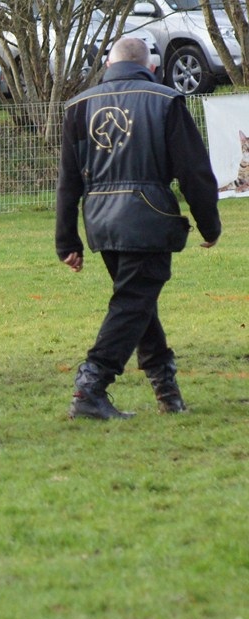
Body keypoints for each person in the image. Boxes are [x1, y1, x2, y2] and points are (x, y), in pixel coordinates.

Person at [55, 37, 222, 420]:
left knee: (139, 303)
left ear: (108, 66)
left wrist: (68, 240)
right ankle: (90, 387)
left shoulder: (78, 106)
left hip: (100, 222)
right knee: (132, 303)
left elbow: (67, 182)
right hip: (148, 219)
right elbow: (194, 172)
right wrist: (209, 225)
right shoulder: (166, 100)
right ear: (151, 67)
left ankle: (168, 393)